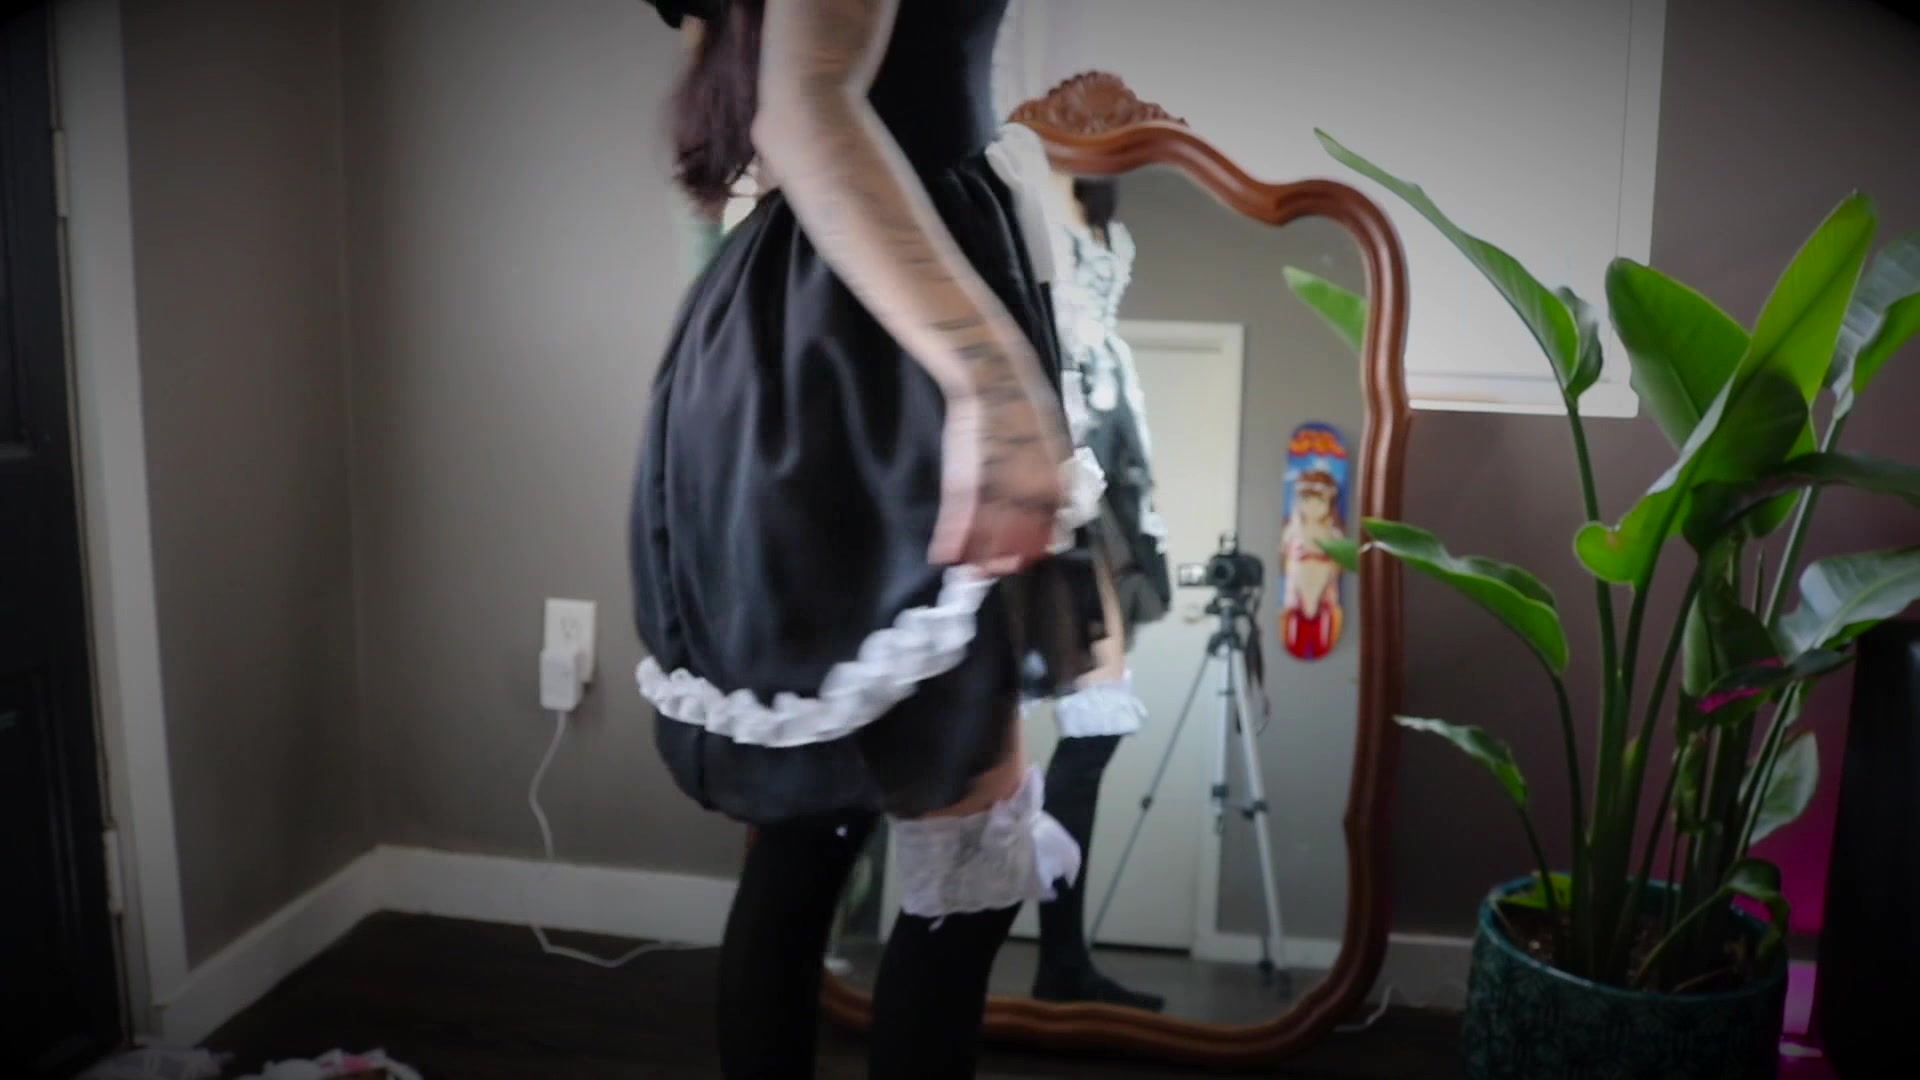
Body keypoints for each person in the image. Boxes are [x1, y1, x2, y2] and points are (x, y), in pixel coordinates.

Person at [628, 1, 1108, 1076]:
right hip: (868, 361)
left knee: (808, 836)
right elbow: (804, 103)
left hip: (814, 340)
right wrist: (992, 382)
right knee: (957, 831)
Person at [1025, 174, 1173, 1012]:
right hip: (1048, 444)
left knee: (1096, 724)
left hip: (1103, 458)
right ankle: (1027, 958)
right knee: (976, 735)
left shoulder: (1098, 200)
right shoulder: (1026, 172)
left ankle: (1060, 961)